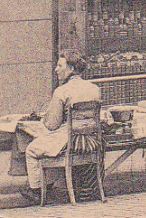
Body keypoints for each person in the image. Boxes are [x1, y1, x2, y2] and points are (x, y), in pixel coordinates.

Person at [24, 55, 103, 197]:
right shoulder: (94, 88)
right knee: (48, 145)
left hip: (69, 139)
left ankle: (37, 190)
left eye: (60, 66)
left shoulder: (61, 91)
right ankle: (50, 185)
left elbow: (52, 125)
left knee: (31, 149)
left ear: (71, 68)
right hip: (91, 140)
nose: (56, 70)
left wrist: (45, 119)